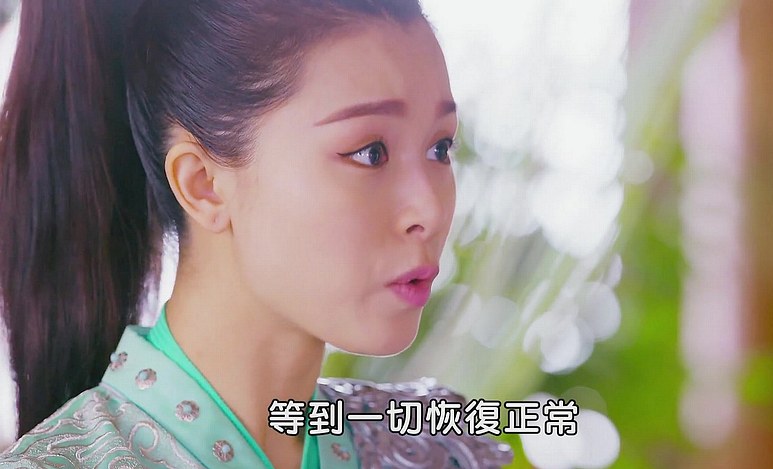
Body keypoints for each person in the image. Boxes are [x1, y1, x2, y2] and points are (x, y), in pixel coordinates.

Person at [0, 0, 513, 467]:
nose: (429, 210)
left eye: (440, 148)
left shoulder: (441, 449)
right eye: (369, 152)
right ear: (204, 185)